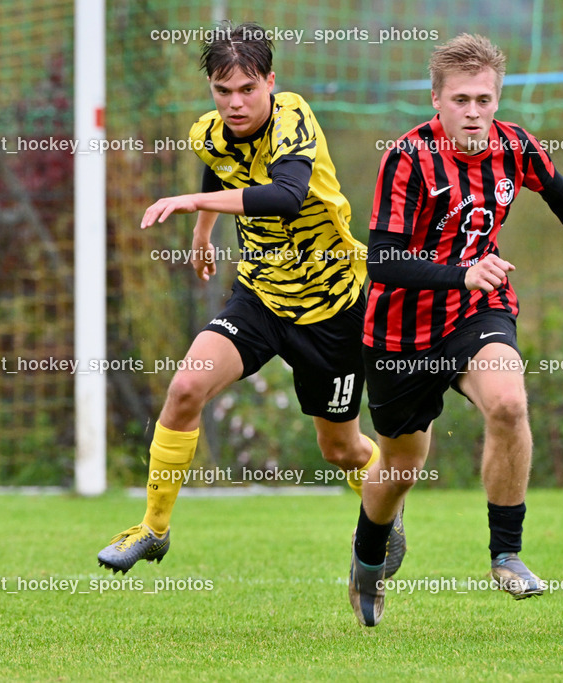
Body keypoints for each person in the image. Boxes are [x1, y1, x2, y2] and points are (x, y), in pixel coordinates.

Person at [97, 20, 405, 575]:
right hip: (260, 297)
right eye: (222, 91)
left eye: (247, 89)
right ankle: (153, 529)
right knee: (187, 386)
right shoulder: (208, 132)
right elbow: (218, 170)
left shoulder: (293, 119)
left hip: (332, 304)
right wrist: (201, 235)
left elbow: (285, 196)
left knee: (340, 449)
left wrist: (191, 204)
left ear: (269, 81)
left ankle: (384, 509)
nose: (235, 103)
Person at [347, 33, 563, 626]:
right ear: (437, 100)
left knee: (507, 403)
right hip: (400, 332)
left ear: (497, 100)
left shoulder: (515, 147)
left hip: (478, 310)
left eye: (483, 99)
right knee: (400, 468)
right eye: (460, 100)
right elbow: (382, 261)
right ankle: (367, 561)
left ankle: (506, 553)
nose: (472, 112)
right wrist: (461, 272)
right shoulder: (406, 157)